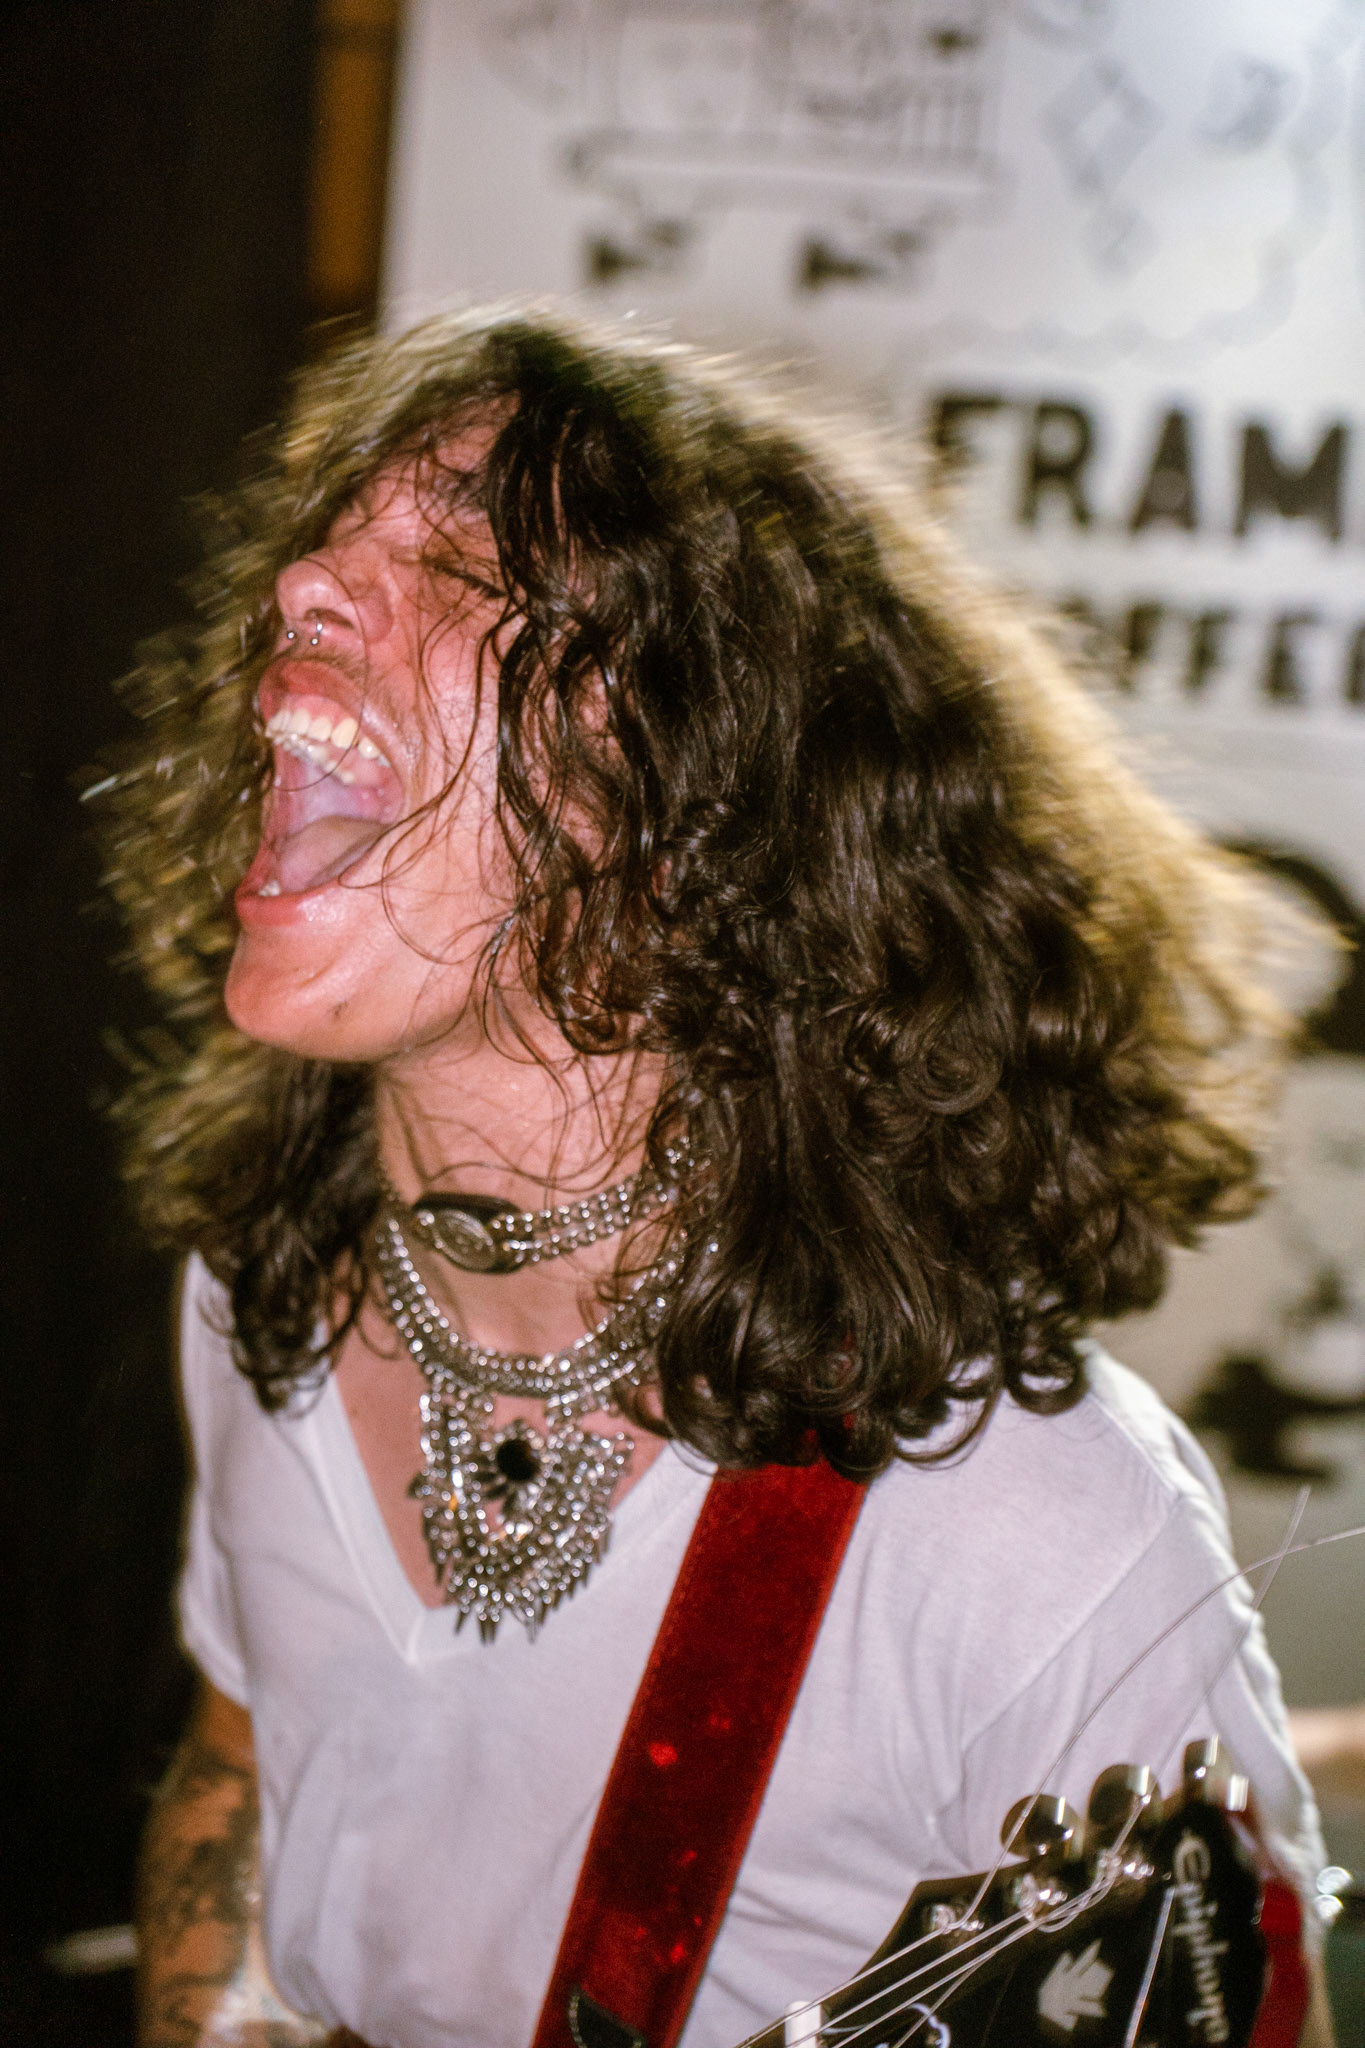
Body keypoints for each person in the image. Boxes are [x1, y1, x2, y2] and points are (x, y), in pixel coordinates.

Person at [100, 306, 1332, 2048]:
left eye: (455, 559)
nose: (302, 586)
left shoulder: (1030, 1529)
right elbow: (243, 1757)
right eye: (327, 538)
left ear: (699, 809)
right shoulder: (266, 1285)